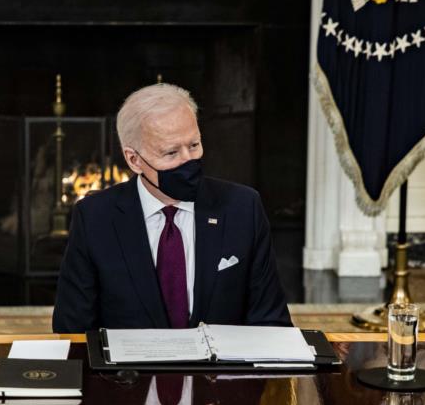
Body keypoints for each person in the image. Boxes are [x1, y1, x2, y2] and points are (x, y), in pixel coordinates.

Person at [52, 83, 292, 332]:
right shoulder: (94, 217)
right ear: (134, 160)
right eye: (171, 152)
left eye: (194, 145)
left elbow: (272, 323)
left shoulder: (243, 208)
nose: (188, 160)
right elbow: (72, 330)